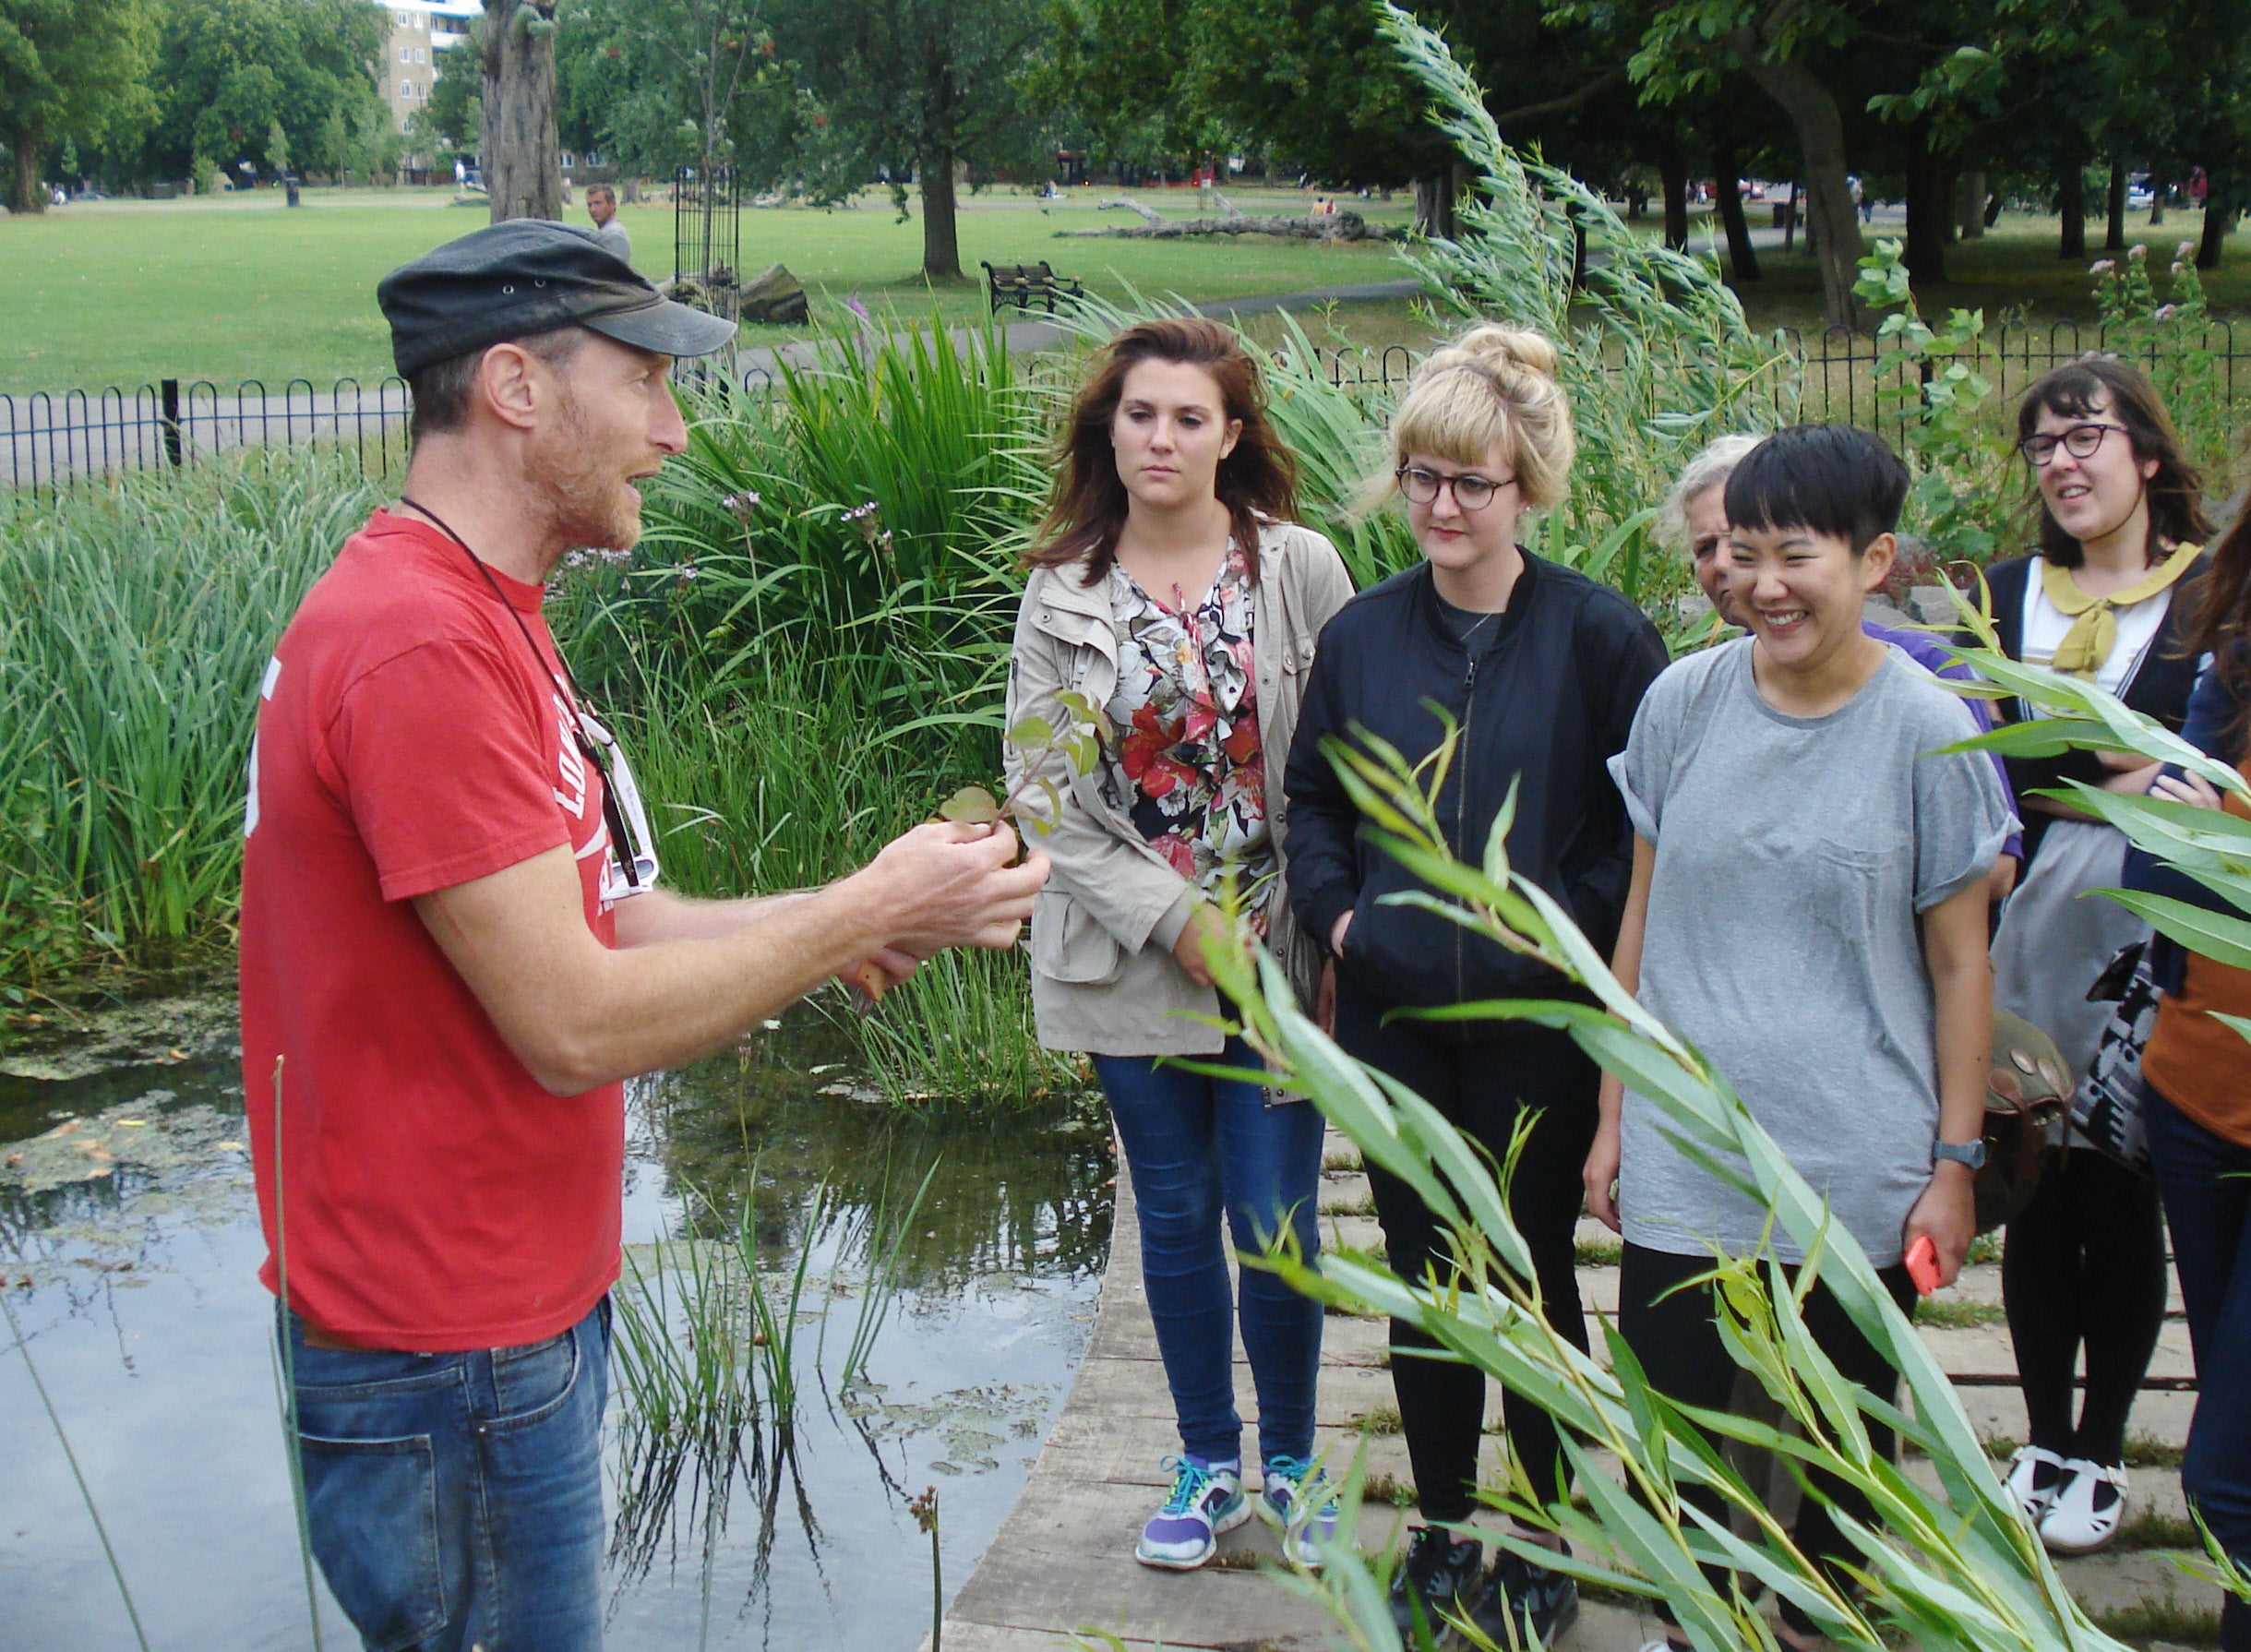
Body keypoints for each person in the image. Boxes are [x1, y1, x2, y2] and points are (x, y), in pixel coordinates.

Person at [242, 220, 1047, 1648]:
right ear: (514, 386)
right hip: (451, 1351)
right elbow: (573, 1026)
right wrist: (866, 910)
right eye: (647, 381)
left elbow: (606, 921)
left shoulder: (483, 612)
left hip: (500, 1326)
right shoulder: (421, 642)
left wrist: (849, 909)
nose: (676, 431)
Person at [1589, 425, 2015, 1652]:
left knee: (1836, 1463)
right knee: (1686, 1450)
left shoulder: (1929, 730)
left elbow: (1957, 963)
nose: (1763, 583)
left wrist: (1953, 1163)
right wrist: (1616, 1110)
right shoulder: (1682, 699)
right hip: (1687, 1148)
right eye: (1743, 552)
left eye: (1796, 554)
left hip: (1851, 1166)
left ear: (1872, 560)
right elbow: (1639, 910)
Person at [1286, 326, 1668, 1646]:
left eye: (1472, 482)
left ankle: (1544, 1529)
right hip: (1396, 1017)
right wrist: (1341, 923)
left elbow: (1636, 828)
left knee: (1529, 1273)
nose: (1442, 507)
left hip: (1532, 1026)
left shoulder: (1600, 637)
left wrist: (1548, 927)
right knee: (1428, 1275)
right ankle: (1447, 1523)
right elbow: (1312, 799)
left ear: (1527, 488)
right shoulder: (1361, 638)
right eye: (1421, 478)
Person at [1006, 316, 1355, 1572]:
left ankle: (1298, 1466)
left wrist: (1301, 917)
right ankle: (1206, 1462)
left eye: (1187, 417)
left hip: (1276, 958)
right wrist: (1175, 918)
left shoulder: (1297, 568)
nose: (1160, 437)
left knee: (1274, 1219)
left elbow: (1343, 762)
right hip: (1131, 955)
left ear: (1232, 435)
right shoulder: (1061, 590)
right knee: (1172, 1213)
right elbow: (1045, 801)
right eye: (1140, 413)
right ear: (1110, 426)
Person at [1982, 357, 2211, 1553]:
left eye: (2085, 437)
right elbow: (1984, 764)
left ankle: (2101, 1447)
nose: (2061, 461)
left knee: (2120, 1190)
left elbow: (2205, 768)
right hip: (2015, 926)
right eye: (2041, 445)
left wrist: (2064, 762)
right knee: (2030, 1175)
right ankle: (2035, 1434)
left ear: (2147, 455)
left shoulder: (2207, 595)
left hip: (2141, 934)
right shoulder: (2001, 589)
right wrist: (2119, 766)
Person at [1658, 433, 2022, 895]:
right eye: (1707, 548)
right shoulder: (1687, 695)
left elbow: (1994, 871)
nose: (1728, 564)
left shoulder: (1927, 675)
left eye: (1743, 542)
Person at [2121, 503, 2251, 1652]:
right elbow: (2159, 879)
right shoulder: (2229, 667)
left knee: (2227, 1475)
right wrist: (2171, 827)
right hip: (2200, 1094)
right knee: (2232, 1406)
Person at [586, 182, 630, 262]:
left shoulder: (614, 235)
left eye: (598, 203)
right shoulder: (606, 232)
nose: (593, 210)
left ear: (612, 203)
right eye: (589, 205)